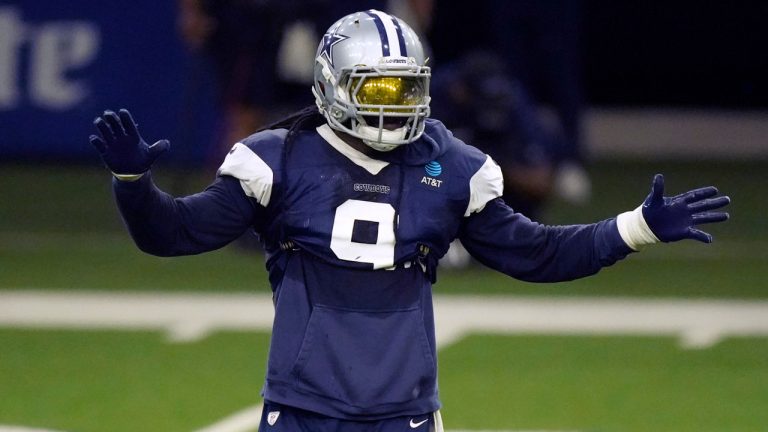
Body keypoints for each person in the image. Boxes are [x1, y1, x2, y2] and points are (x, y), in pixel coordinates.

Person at [89, 10, 730, 432]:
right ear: (334, 85)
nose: (398, 107)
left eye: (408, 88)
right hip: (302, 411)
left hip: (406, 416)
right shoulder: (277, 159)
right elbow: (172, 234)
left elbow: (537, 254)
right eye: (379, 89)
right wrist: (132, 186)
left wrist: (635, 228)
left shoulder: (449, 165)